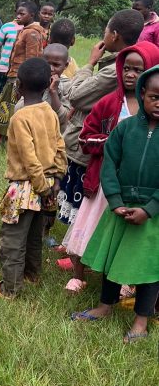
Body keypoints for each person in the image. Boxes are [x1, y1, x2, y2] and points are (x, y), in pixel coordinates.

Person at [63, 41, 159, 293]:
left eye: (138, 70)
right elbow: (85, 137)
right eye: (126, 68)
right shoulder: (109, 103)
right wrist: (113, 143)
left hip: (136, 188)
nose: (130, 74)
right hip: (103, 183)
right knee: (87, 227)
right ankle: (79, 274)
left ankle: (125, 279)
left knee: (128, 232)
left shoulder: (152, 110)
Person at [73, 66, 159, 343]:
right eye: (155, 97)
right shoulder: (125, 128)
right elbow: (109, 164)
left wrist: (149, 209)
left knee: (149, 267)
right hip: (121, 207)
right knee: (113, 259)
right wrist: (115, 201)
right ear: (142, 94)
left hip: (152, 214)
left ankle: (141, 321)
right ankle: (104, 305)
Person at [54, 10, 144, 253]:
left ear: (114, 35)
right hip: (100, 143)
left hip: (93, 147)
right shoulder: (126, 64)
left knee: (87, 200)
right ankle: (73, 245)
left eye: (105, 30)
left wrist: (90, 63)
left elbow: (75, 96)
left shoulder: (114, 69)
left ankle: (80, 249)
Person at [0, 57, 66, 298]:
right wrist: (56, 180)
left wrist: (41, 187)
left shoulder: (20, 117)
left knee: (12, 239)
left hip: (26, 188)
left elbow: (29, 158)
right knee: (34, 236)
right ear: (48, 85)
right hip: (49, 185)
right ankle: (32, 275)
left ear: (18, 85)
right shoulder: (50, 112)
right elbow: (60, 147)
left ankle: (10, 288)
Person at [0, 0, 46, 147]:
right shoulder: (24, 30)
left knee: (7, 108)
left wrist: (23, 81)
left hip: (19, 78)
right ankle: (1, 140)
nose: (18, 16)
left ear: (31, 15)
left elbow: (31, 60)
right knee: (6, 108)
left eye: (22, 14)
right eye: (17, 13)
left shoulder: (32, 33)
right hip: (14, 75)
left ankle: (2, 141)